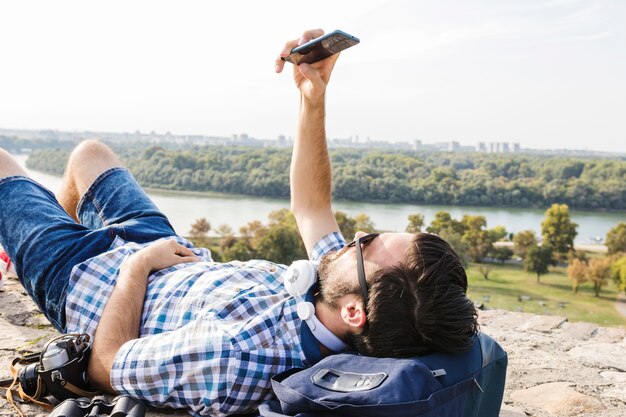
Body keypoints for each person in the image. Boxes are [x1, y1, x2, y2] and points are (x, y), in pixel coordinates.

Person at [0, 29, 477, 416]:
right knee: (90, 155)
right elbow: (312, 207)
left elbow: (106, 366)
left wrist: (138, 266)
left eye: (366, 243)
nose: (354, 237)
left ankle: (33, 255)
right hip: (169, 255)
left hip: (93, 284)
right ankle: (39, 236)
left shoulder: (234, 355)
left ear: (356, 312)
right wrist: (313, 96)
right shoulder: (338, 294)